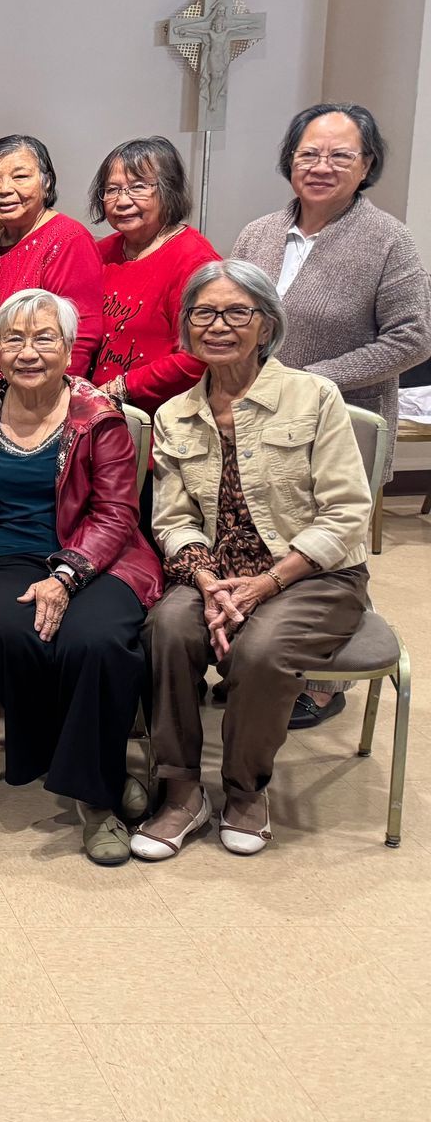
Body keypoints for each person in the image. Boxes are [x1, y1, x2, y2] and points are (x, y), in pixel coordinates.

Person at [0, 290, 161, 866]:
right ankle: (105, 775)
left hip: (101, 556)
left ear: (69, 349)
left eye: (44, 338)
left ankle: (95, 801)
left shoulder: (100, 418)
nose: (28, 351)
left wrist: (67, 577)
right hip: (9, 558)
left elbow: (117, 514)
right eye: (14, 338)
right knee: (11, 632)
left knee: (94, 641)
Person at [136, 261, 373, 860]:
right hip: (215, 573)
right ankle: (181, 792)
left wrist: (265, 583)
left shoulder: (313, 396)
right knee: (166, 628)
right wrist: (213, 583)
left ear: (265, 325)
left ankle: (245, 789)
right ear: (187, 326)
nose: (218, 326)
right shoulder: (174, 414)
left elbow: (346, 512)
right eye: (203, 313)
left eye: (237, 312)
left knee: (261, 648)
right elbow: (173, 519)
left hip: (311, 573)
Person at [233, 105, 430, 729]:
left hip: (345, 421)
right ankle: (258, 662)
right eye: (308, 153)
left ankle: (317, 680)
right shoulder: (258, 233)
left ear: (366, 165)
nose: (321, 167)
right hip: (257, 418)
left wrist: (317, 381)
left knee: (327, 546)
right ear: (289, 159)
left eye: (340, 155)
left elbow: (413, 337)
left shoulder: (389, 240)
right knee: (263, 531)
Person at [86, 136, 220, 411]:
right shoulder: (99, 252)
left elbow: (198, 357)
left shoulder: (195, 261)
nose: (121, 201)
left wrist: (121, 388)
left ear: (168, 190)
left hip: (163, 422)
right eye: (112, 189)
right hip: (97, 414)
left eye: (138, 187)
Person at [0, 134, 103, 385]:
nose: (4, 189)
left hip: (40, 401)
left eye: (20, 176)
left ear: (47, 183)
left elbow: (80, 335)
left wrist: (53, 400)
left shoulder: (68, 240)